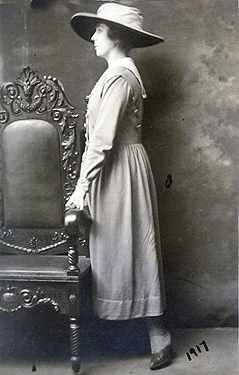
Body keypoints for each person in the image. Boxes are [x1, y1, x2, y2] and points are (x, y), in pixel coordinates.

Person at [68, 3, 172, 370]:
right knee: (117, 252)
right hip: (115, 171)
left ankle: (160, 336)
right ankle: (130, 335)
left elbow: (101, 141)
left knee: (135, 251)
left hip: (120, 170)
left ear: (117, 36)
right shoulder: (116, 74)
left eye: (99, 31)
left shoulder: (120, 77)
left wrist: (81, 188)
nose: (93, 37)